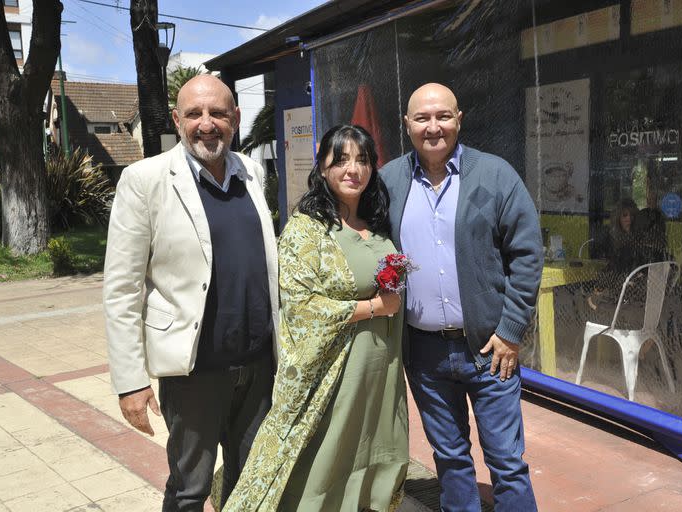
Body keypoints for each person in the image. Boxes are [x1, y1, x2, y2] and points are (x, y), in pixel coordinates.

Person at [102, 74, 278, 511]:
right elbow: (122, 289)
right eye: (195, 113)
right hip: (193, 372)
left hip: (258, 368)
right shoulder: (145, 180)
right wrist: (130, 382)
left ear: (235, 119)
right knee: (189, 490)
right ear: (178, 120)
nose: (207, 123)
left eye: (218, 113)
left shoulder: (252, 173)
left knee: (252, 484)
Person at [224, 124, 408, 511]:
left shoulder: (377, 224)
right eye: (340, 160)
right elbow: (301, 307)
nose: (352, 169)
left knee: (373, 452)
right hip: (333, 376)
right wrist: (375, 307)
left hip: (380, 371)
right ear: (322, 169)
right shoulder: (307, 231)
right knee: (325, 461)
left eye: (362, 160)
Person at [380, 83, 543, 511]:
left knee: (506, 462)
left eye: (443, 116)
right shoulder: (389, 181)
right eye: (422, 118)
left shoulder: (495, 175)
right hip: (425, 353)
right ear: (407, 125)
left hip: (490, 350)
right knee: (450, 460)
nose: (433, 127)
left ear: (459, 119)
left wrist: (510, 331)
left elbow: (526, 254)